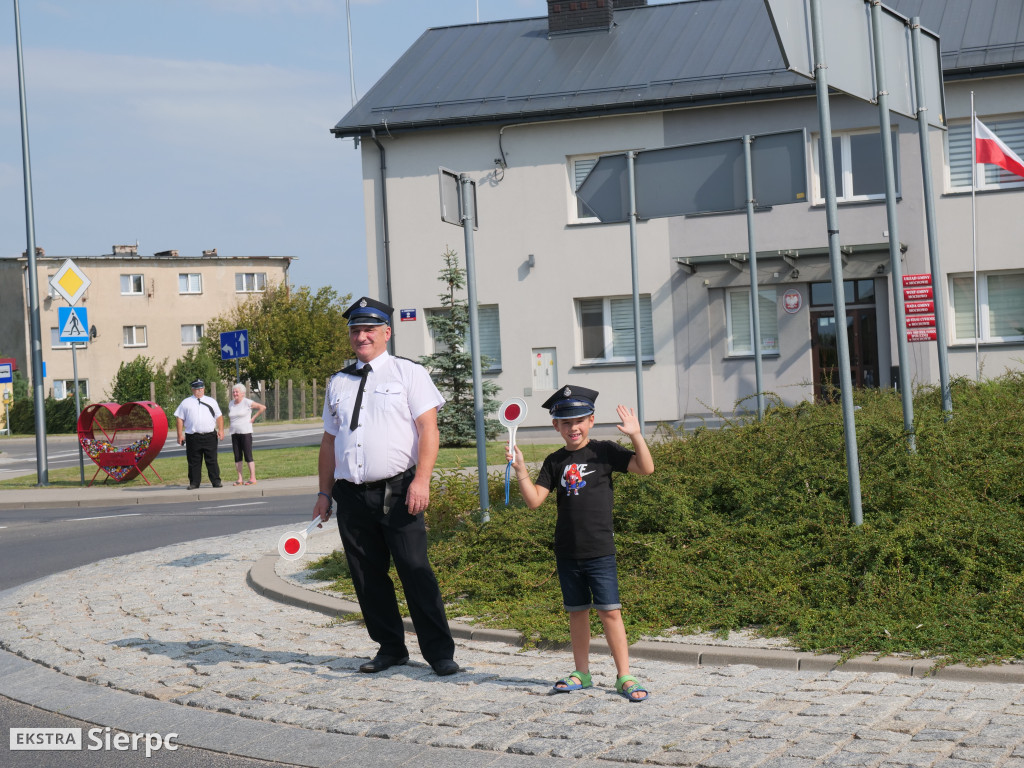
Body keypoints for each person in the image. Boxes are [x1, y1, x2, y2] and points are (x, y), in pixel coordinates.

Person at [313, 296, 458, 677]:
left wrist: (422, 479)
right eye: (356, 331)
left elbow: (429, 428)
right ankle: (390, 647)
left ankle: (440, 652)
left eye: (369, 330)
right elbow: (330, 441)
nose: (362, 336)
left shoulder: (408, 374)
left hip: (399, 490)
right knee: (366, 575)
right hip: (352, 494)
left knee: (414, 568)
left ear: (386, 333)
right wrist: (324, 493)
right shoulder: (338, 382)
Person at [508, 384, 655, 701]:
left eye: (579, 421)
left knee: (610, 613)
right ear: (556, 426)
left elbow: (646, 467)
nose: (572, 428)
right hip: (567, 552)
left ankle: (625, 676)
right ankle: (582, 673)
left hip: (600, 551)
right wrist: (521, 471)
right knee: (577, 613)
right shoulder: (553, 461)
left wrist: (635, 436)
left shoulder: (604, 451)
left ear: (590, 421)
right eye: (565, 422)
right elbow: (535, 501)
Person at [174, 379, 224, 490]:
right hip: (193, 436)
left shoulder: (211, 401)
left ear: (204, 389)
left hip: (209, 435)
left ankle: (216, 481)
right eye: (197, 389)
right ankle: (194, 483)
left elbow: (219, 416)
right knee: (194, 461)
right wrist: (179, 435)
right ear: (192, 389)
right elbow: (179, 419)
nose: (199, 391)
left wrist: (221, 430)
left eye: (201, 388)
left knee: (212, 460)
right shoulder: (186, 402)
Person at [228, 383, 267, 485]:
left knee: (248, 455)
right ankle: (239, 478)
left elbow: (262, 407)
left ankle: (252, 478)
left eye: (237, 392)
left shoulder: (247, 402)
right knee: (237, 456)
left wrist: (254, 417)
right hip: (234, 433)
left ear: (242, 393)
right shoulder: (231, 403)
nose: (235, 394)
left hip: (245, 432)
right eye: (234, 392)